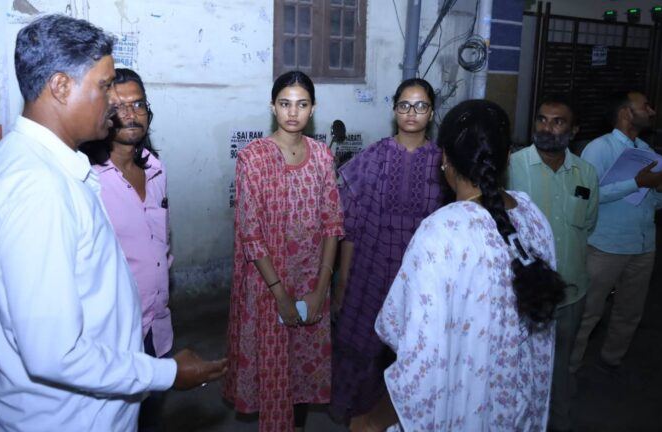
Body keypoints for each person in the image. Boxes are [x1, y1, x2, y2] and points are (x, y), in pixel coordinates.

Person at [0, 14, 226, 431]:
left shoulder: (17, 163)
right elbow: (56, 353)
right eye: (104, 87)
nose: (113, 104)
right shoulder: (38, 188)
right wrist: (167, 374)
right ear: (61, 86)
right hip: (72, 418)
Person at [371, 99, 565, 431]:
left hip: (462, 408)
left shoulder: (442, 231)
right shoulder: (534, 217)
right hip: (515, 405)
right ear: (506, 157)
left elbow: (406, 335)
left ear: (444, 158)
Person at [223, 70, 344, 431]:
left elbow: (332, 224)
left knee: (302, 376)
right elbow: (250, 232)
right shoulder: (253, 158)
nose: (293, 112)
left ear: (313, 109)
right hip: (267, 285)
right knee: (272, 371)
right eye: (285, 104)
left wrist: (322, 287)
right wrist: (279, 295)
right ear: (272, 107)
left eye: (302, 104)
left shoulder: (323, 156)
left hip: (311, 282)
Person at [329, 78, 445, 428]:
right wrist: (343, 281)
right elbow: (351, 227)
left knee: (414, 358)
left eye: (421, 106)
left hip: (422, 283)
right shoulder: (372, 158)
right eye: (405, 105)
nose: (412, 113)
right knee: (362, 353)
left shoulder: (444, 164)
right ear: (394, 110)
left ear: (432, 113)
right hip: (370, 275)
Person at [80, 68, 173, 431]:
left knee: (149, 420)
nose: (131, 114)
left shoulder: (156, 169)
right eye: (118, 106)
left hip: (157, 327)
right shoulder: (86, 178)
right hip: (111, 335)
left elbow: (163, 244)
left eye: (138, 104)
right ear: (101, 112)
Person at [507, 95, 598, 431]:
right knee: (520, 368)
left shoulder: (586, 173)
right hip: (524, 294)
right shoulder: (512, 167)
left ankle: (558, 421)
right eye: (542, 120)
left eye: (558, 122)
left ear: (573, 130)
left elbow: (588, 223)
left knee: (561, 367)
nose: (547, 128)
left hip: (571, 290)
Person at [570, 91, 662, 372]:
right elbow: (590, 195)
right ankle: (569, 367)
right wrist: (636, 182)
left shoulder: (647, 151)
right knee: (589, 311)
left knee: (630, 310)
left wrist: (661, 190)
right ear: (626, 113)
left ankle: (612, 359)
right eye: (646, 106)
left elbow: (655, 203)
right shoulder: (599, 149)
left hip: (642, 245)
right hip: (605, 245)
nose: (652, 111)